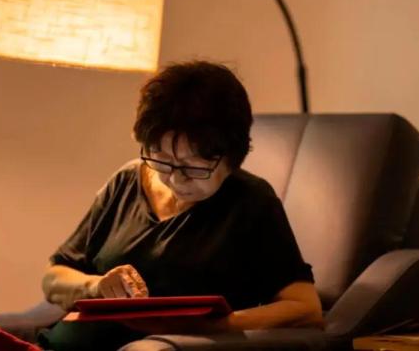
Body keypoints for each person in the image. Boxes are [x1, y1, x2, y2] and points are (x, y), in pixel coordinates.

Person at [37, 61, 323, 350]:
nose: (174, 178)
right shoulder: (126, 181)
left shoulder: (251, 202)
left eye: (192, 167)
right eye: (161, 159)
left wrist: (210, 327)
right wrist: (96, 287)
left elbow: (305, 309)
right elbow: (53, 278)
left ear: (232, 158)